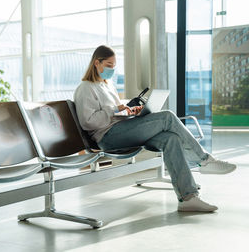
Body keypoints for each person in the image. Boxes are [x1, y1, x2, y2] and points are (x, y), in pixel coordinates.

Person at [74, 45, 236, 212]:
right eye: (109, 65)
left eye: (114, 66)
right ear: (96, 63)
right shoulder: (85, 88)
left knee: (170, 139)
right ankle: (204, 160)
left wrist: (131, 112)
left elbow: (115, 114)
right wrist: (115, 110)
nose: (112, 69)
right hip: (108, 137)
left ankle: (188, 197)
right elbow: (88, 122)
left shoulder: (108, 86)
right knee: (167, 117)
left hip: (122, 129)